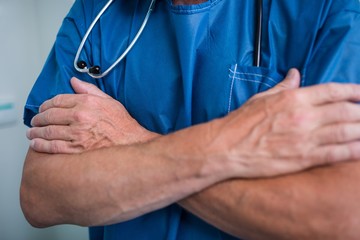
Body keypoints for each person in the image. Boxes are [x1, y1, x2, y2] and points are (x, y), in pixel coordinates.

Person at [21, 0, 360, 239]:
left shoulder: (331, 10)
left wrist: (132, 141)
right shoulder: (99, 12)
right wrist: (237, 136)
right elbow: (40, 195)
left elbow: (339, 217)